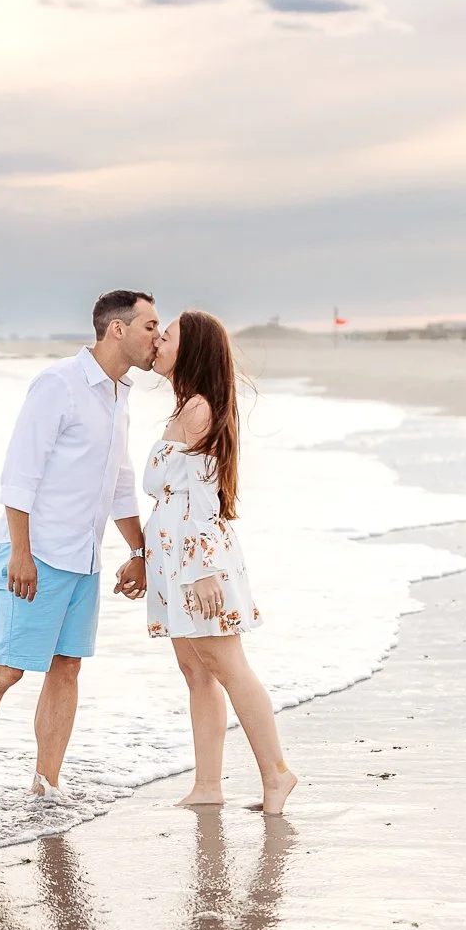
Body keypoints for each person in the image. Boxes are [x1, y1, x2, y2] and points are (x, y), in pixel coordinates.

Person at [0, 290, 157, 805]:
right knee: (8, 667)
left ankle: (47, 784)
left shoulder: (120, 393)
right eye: (149, 326)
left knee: (68, 667)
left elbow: (120, 482)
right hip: (35, 554)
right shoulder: (59, 383)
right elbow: (20, 473)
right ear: (117, 329)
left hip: (83, 556)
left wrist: (140, 552)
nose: (156, 337)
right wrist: (20, 552)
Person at [144, 310, 297, 814]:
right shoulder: (186, 408)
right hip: (176, 560)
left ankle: (276, 774)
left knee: (227, 666)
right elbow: (172, 500)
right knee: (196, 670)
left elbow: (204, 501)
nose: (159, 342)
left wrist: (202, 570)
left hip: (197, 562)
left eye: (167, 337)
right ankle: (208, 785)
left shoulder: (199, 411)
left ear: (190, 352)